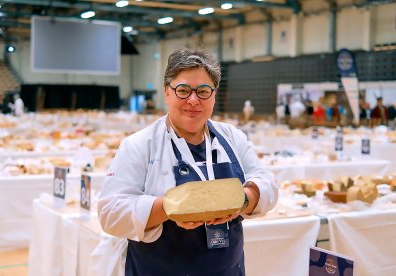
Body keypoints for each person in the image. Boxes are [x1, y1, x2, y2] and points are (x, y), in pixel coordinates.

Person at [98, 48, 278, 276]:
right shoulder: (140, 145)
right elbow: (110, 213)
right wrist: (170, 207)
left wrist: (242, 199)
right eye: (183, 90)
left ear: (214, 94)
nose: (193, 100)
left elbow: (268, 184)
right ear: (167, 92)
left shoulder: (232, 138)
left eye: (203, 91)